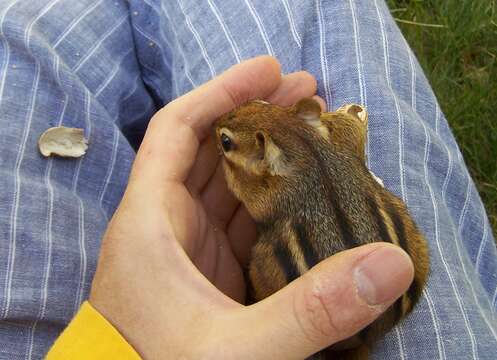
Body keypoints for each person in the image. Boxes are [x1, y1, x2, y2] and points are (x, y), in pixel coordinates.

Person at [0, 1, 496, 359]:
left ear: (265, 160)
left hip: (331, 304)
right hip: (394, 290)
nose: (220, 147)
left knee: (19, 26)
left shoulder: (267, 190)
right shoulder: (322, 145)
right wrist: (354, 118)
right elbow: (346, 138)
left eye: (227, 146)